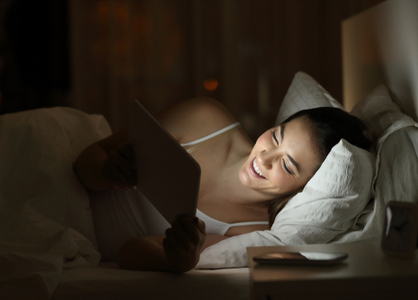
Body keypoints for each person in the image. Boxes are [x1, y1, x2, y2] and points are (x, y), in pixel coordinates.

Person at [73, 97, 371, 273]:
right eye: (277, 137)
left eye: (287, 165)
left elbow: (128, 251)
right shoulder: (206, 118)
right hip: (66, 190)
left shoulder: (255, 229)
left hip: (80, 243)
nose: (265, 157)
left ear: (305, 189)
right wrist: (106, 171)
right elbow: (86, 159)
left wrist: (179, 259)